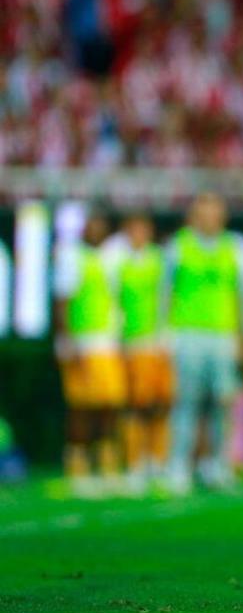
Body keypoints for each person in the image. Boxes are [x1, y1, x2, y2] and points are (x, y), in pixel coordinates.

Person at [165, 192, 243, 494]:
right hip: (187, 334)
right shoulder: (179, 246)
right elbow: (166, 293)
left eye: (214, 212)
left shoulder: (236, 248)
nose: (209, 218)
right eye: (203, 212)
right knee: (185, 402)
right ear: (194, 216)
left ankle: (218, 466)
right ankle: (178, 466)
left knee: (221, 405)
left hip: (223, 335)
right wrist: (164, 334)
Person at [54, 211, 127, 498]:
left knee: (109, 405)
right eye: (91, 226)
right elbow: (62, 302)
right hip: (83, 343)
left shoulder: (111, 259)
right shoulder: (72, 257)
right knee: (81, 407)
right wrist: (67, 341)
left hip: (107, 343)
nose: (95, 231)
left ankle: (107, 464)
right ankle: (77, 466)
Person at [106, 213, 174, 494]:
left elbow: (169, 296)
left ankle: (156, 460)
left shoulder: (159, 260)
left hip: (157, 343)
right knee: (134, 407)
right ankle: (134, 462)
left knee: (159, 405)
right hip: (132, 343)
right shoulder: (119, 263)